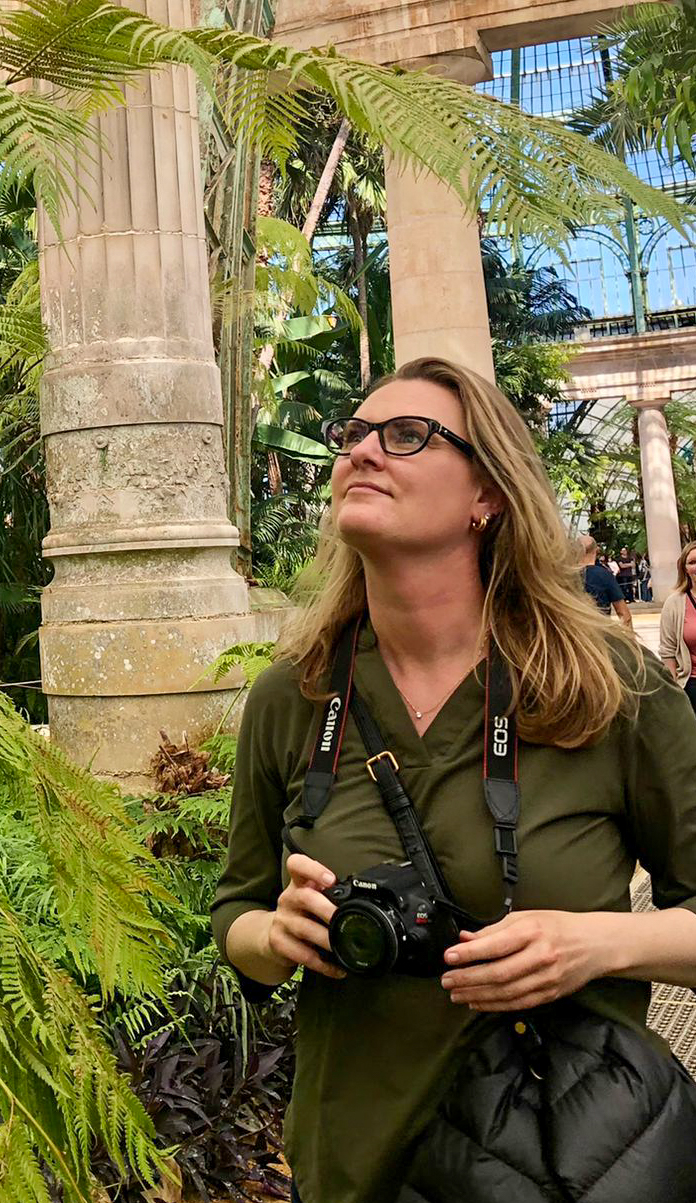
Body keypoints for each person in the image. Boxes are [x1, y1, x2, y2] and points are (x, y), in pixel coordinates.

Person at [212, 357, 696, 1203]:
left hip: (560, 1166)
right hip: (349, 1168)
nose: (362, 452)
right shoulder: (294, 696)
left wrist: (594, 946)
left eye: (406, 436)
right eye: (352, 436)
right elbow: (236, 914)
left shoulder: (607, 686)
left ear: (488, 496)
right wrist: (274, 936)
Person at [659, 541, 696, 717]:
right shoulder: (674, 604)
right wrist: (673, 693)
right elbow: (668, 652)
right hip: (692, 685)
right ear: (685, 569)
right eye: (692, 562)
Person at [577, 532, 633, 627]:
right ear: (596, 551)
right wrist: (630, 638)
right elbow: (623, 613)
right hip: (600, 631)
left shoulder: (565, 576)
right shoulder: (604, 575)